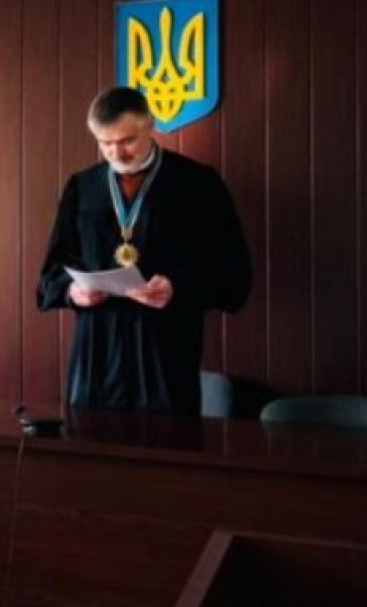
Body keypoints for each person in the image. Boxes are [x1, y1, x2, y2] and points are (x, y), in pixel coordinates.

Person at [36, 85, 251, 415]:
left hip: (166, 349)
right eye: (105, 143)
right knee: (88, 441)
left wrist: (177, 287)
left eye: (127, 141)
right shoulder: (81, 186)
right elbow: (51, 275)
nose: (117, 154)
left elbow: (234, 274)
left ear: (151, 125)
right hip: (97, 353)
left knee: (168, 444)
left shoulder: (198, 183)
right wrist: (73, 292)